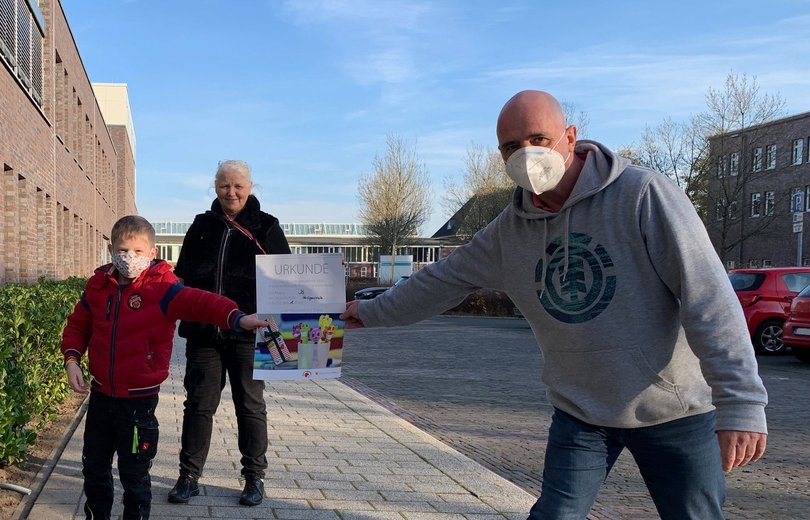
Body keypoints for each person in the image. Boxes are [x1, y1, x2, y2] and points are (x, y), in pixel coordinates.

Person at [341, 90, 768, 520]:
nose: (526, 153)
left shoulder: (644, 196)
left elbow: (708, 298)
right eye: (512, 146)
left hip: (673, 409)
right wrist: (370, 312)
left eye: (539, 139)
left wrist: (742, 403)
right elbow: (439, 282)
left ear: (570, 136)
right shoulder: (507, 234)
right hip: (581, 413)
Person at [61, 215, 268, 520]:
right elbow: (78, 325)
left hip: (138, 403)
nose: (129, 258)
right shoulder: (97, 286)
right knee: (93, 469)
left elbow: (202, 303)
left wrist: (237, 318)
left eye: (138, 251)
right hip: (102, 397)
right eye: (122, 250)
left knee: (134, 475)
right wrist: (72, 359)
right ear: (110, 249)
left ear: (153, 253)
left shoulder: (162, 289)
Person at [168, 159, 291, 507]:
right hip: (204, 334)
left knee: (250, 406)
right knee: (197, 406)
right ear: (215, 187)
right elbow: (183, 277)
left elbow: (289, 280)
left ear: (250, 187)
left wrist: (324, 283)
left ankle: (254, 478)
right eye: (224, 185)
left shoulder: (267, 226)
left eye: (238, 185)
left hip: (250, 336)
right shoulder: (201, 225)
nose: (231, 192)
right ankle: (188, 476)